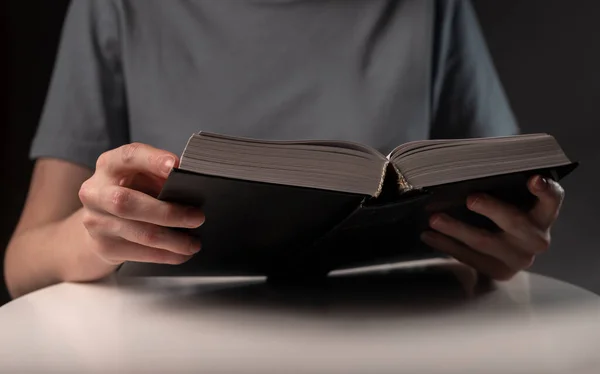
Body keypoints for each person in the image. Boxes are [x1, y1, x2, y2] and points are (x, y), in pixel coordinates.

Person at [3, 0, 565, 299]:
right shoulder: (117, 5)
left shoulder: (431, 6)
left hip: (397, 337)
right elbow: (21, 264)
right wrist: (100, 232)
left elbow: (500, 222)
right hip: (167, 352)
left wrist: (505, 248)